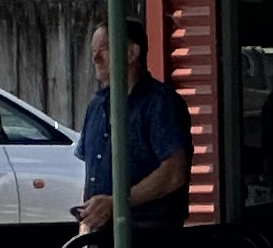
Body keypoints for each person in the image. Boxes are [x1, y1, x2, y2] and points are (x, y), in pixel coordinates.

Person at [75, 19, 194, 236]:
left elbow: (174, 172)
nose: (96, 59)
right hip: (100, 235)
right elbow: (90, 174)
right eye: (93, 51)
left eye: (104, 50)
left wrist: (116, 203)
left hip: (148, 237)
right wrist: (86, 221)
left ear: (131, 53)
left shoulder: (160, 103)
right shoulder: (96, 105)